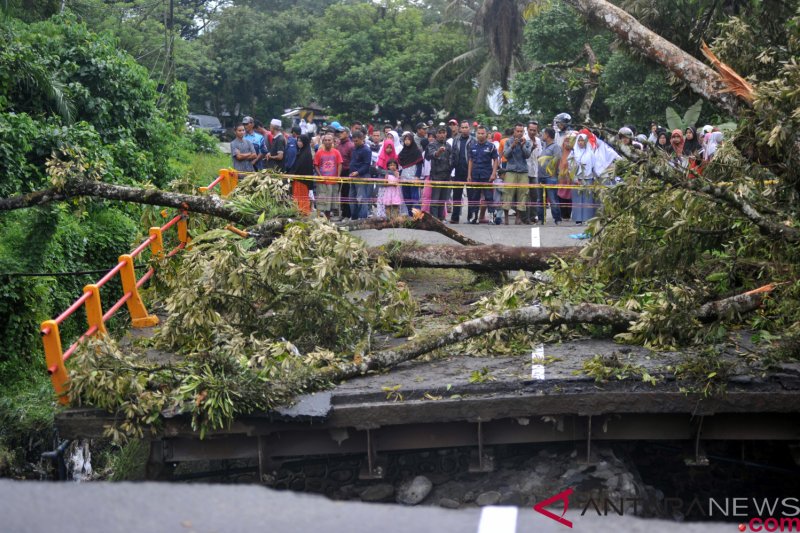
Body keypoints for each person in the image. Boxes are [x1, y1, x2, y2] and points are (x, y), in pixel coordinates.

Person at [467, 125, 499, 224]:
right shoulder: (472, 146)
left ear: (486, 134)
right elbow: (470, 161)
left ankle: (492, 217)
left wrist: (494, 173)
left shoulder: (491, 146)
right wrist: (469, 175)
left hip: (487, 176)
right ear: (476, 134)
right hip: (475, 175)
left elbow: (496, 160)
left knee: (489, 197)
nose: (480, 135)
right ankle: (474, 218)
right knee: (474, 197)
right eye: (479, 133)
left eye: (482, 133)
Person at [502, 123, 532, 225]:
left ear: (523, 132)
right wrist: (513, 145)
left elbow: (527, 155)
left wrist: (523, 146)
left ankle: (518, 217)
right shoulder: (508, 141)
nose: (519, 133)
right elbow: (505, 155)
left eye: (521, 131)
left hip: (523, 171)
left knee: (522, 194)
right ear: (514, 132)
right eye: (517, 131)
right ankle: (506, 217)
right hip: (511, 170)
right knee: (507, 193)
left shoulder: (526, 142)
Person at [448, 120, 474, 223]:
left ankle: (470, 218)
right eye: (462, 127)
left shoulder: (474, 140)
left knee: (471, 195)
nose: (464, 129)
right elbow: (453, 155)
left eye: (466, 127)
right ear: (460, 129)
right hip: (458, 170)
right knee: (456, 195)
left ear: (469, 128)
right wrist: (450, 170)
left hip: (470, 171)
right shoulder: (456, 140)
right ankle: (455, 218)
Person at [313, 133, 343, 219]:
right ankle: (321, 219)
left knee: (331, 202)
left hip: (333, 181)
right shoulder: (319, 153)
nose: (327, 142)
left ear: (333, 141)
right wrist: (320, 176)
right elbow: (316, 165)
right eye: (325, 140)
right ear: (323, 142)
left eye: (329, 140)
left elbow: (339, 164)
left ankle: (328, 219)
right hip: (322, 182)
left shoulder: (336, 152)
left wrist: (338, 176)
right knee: (322, 202)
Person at [425, 127, 452, 220]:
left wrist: (450, 167)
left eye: (443, 132)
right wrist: (439, 152)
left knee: (443, 199)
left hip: (447, 175)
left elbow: (452, 158)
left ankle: (441, 218)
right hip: (436, 175)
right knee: (435, 199)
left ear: (446, 134)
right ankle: (434, 218)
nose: (441, 134)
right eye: (439, 133)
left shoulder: (448, 145)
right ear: (436, 134)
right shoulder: (432, 145)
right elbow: (432, 155)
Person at [569, 133, 596, 225]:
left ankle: (587, 219)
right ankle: (578, 219)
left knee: (587, 199)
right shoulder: (573, 152)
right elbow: (570, 166)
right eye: (579, 140)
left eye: (582, 141)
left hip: (588, 178)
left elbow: (594, 165)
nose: (581, 143)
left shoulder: (590, 152)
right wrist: (575, 177)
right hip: (577, 179)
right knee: (577, 198)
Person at [538, 127, 563, 224]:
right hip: (541, 176)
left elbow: (557, 160)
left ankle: (557, 219)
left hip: (550, 177)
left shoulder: (555, 147)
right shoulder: (544, 146)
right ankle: (541, 218)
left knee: (553, 198)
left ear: (547, 135)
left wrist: (553, 173)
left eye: (544, 133)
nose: (542, 135)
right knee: (540, 199)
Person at [348, 131, 373, 220]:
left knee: (362, 198)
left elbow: (366, 165)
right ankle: (354, 217)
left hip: (362, 176)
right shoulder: (355, 149)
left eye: (356, 141)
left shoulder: (366, 150)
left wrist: (357, 172)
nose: (354, 143)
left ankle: (362, 218)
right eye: (353, 141)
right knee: (352, 198)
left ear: (362, 139)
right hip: (353, 176)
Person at [398, 132, 423, 213]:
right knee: (406, 197)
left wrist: (417, 176)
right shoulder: (403, 152)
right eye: (405, 140)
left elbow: (419, 166)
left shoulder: (417, 151)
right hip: (404, 177)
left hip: (413, 177)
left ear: (412, 140)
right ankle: (410, 215)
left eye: (409, 139)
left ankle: (417, 216)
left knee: (415, 197)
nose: (407, 141)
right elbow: (400, 165)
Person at [290, 134, 314, 215]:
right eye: (297, 141)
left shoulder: (306, 154)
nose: (298, 143)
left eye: (300, 141)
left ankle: (304, 215)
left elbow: (305, 169)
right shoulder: (300, 152)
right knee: (297, 200)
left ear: (305, 142)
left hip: (303, 182)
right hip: (297, 180)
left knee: (302, 200)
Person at [375, 135, 398, 218]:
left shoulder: (394, 157)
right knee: (383, 200)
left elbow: (397, 170)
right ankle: (382, 216)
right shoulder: (381, 157)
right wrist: (391, 172)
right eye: (387, 147)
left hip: (393, 186)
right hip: (383, 183)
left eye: (390, 147)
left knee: (393, 201)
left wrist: (392, 173)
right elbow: (379, 170)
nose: (389, 149)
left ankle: (393, 218)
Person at [525, 121, 543, 224]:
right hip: (525, 171)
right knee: (525, 195)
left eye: (534, 130)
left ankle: (533, 215)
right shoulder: (524, 139)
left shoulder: (538, 141)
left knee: (535, 195)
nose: (532, 132)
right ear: (527, 130)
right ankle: (526, 217)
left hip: (535, 172)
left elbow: (539, 155)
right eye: (530, 130)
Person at [336, 126, 355, 219]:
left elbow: (353, 160)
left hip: (347, 172)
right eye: (339, 132)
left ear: (347, 134)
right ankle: (343, 213)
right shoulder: (339, 144)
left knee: (347, 194)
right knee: (342, 194)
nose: (340, 134)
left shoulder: (350, 145)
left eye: (342, 132)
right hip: (339, 172)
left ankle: (348, 214)